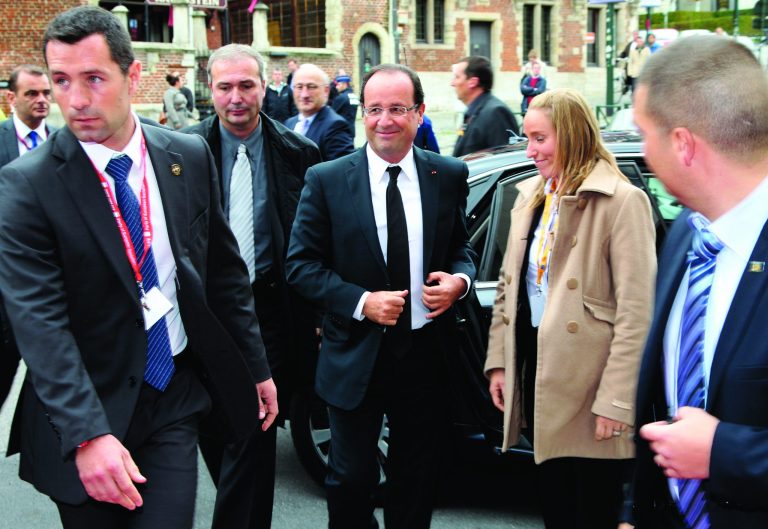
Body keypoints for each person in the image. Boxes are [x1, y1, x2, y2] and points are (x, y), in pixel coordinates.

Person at [0, 7, 278, 528]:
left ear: (132, 76)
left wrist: (256, 368)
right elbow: (38, 323)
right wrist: (86, 433)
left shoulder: (187, 154)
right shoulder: (26, 186)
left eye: (94, 79)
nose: (75, 100)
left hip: (171, 395)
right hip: (85, 405)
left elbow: (222, 276)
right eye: (61, 80)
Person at [286, 63, 476, 529]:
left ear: (419, 113)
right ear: (361, 114)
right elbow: (300, 266)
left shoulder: (446, 174)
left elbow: (460, 249)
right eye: (374, 109)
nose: (384, 120)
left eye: (397, 109)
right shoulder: (328, 179)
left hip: (425, 355)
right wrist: (361, 301)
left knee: (415, 479)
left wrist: (459, 283)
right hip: (355, 354)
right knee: (350, 479)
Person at [484, 88, 656, 529]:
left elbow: (636, 313)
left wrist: (617, 401)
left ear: (573, 135)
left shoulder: (622, 201)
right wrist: (500, 364)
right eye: (527, 138)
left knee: (592, 511)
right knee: (555, 508)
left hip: (592, 382)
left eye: (540, 139)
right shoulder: (532, 196)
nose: (531, 151)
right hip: (539, 369)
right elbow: (509, 289)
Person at [632, 35, 768, 529]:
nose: (643, 152)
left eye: (644, 134)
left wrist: (722, 452)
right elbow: (658, 401)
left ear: (683, 145)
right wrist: (634, 511)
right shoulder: (685, 236)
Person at [184, 43, 321, 529]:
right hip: (203, 316)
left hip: (271, 316)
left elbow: (312, 240)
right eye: (225, 87)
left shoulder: (299, 153)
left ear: (265, 87)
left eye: (247, 85)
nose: (236, 97)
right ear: (211, 90)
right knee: (219, 435)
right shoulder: (181, 151)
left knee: (254, 432)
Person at [0, 64, 55, 411]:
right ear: (10, 99)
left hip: (52, 288)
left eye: (47, 93)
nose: (42, 100)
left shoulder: (66, 144)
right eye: (32, 93)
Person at [451, 55, 519, 157]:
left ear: (473, 82)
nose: (452, 83)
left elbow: (505, 160)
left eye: (457, 77)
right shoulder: (474, 111)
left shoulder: (496, 113)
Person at [284, 63, 354, 161]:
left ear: (326, 91)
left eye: (311, 87)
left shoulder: (335, 126)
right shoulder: (289, 124)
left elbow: (342, 173)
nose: (304, 94)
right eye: (299, 87)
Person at [330, 73, 359, 140]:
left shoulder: (341, 98)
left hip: (341, 132)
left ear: (344, 84)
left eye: (338, 84)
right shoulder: (354, 96)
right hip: (351, 131)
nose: (336, 87)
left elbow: (331, 114)